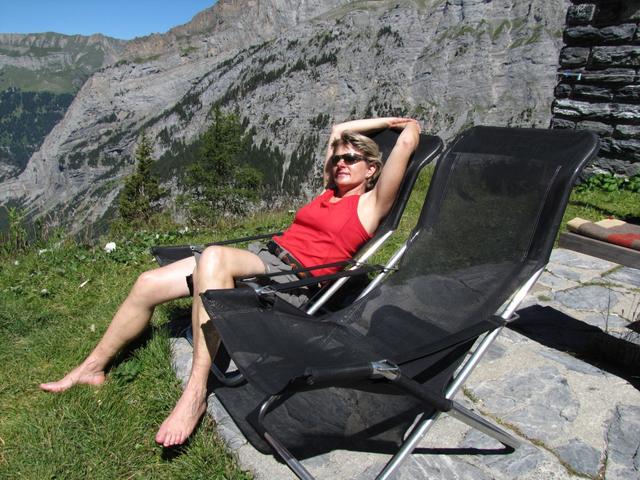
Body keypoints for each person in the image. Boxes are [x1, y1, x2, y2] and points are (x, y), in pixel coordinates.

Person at [40, 117, 422, 447]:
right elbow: (339, 129)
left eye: (351, 159)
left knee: (214, 257)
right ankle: (91, 368)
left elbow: (408, 140)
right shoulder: (328, 191)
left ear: (372, 169)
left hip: (292, 282)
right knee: (147, 283)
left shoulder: (371, 204)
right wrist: (378, 124)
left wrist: (405, 125)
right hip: (264, 257)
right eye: (338, 158)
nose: (340, 163)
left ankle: (195, 393)